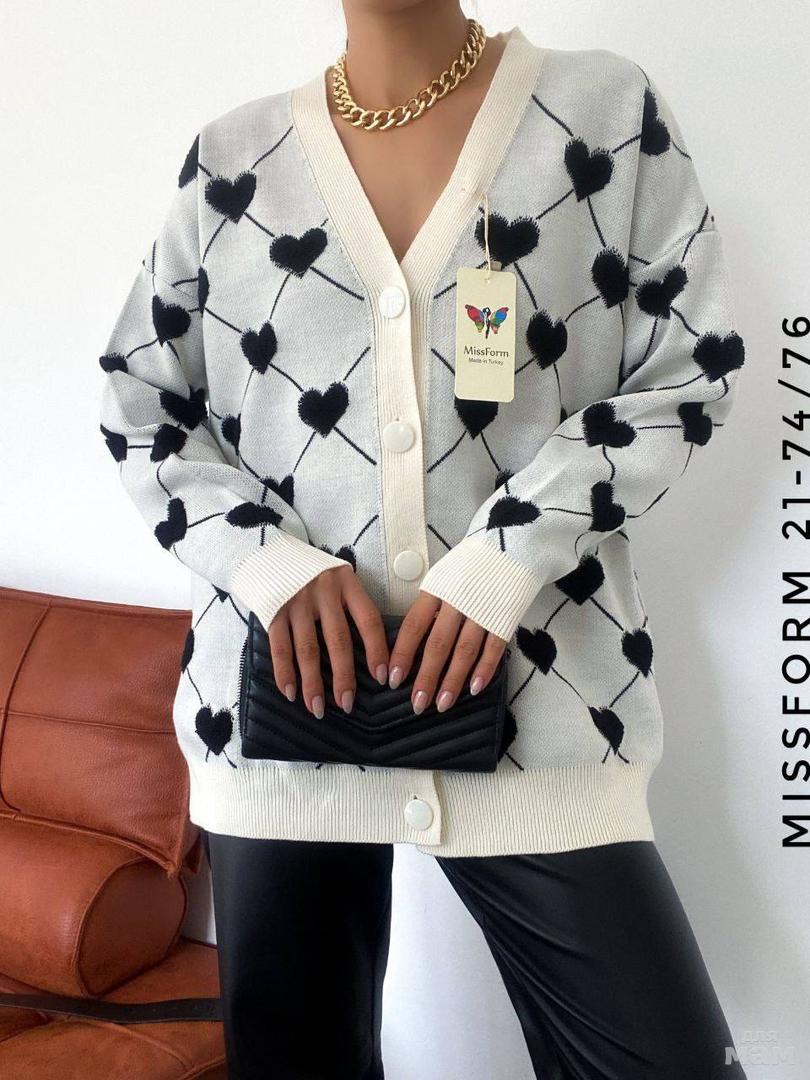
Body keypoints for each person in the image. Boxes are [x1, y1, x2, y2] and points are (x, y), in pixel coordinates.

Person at [97, 1, 748, 1076]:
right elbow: (141, 403)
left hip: (549, 711)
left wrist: (507, 557)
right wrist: (268, 563)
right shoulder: (232, 159)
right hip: (278, 716)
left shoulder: (600, 111)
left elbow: (691, 368)